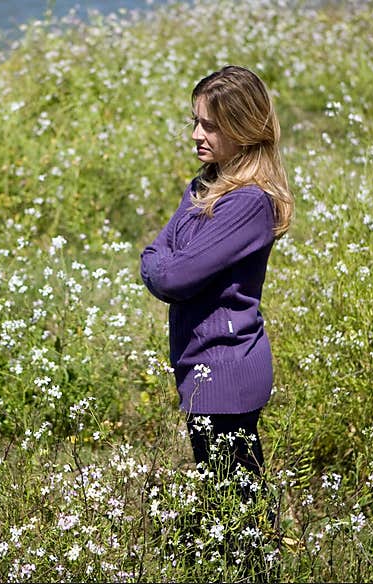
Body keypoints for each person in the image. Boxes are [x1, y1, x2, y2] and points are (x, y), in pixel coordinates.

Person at [140, 65, 293, 495]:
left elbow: (170, 275)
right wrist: (159, 262)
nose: (196, 134)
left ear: (242, 129)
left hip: (226, 371)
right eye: (196, 122)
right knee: (227, 496)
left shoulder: (247, 202)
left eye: (210, 125)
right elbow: (155, 255)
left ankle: (259, 565)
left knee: (239, 503)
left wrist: (159, 264)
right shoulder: (204, 186)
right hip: (203, 364)